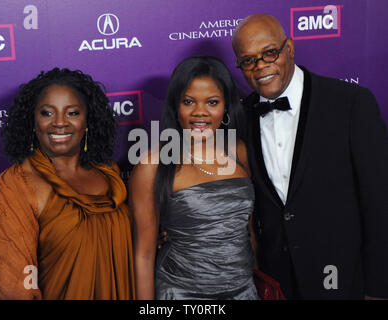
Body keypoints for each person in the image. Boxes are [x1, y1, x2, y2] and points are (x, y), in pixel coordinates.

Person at [232, 13, 388, 299]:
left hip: (344, 279)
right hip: (278, 282)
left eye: (269, 53)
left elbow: (380, 203)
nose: (260, 67)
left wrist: (379, 288)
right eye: (248, 60)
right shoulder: (240, 118)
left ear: (289, 48)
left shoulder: (350, 104)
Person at [0, 68, 135, 299]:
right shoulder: (17, 186)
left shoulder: (109, 172)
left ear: (88, 120)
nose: (60, 123)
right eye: (47, 113)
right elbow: (9, 286)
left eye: (72, 113)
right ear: (33, 122)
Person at [129, 56, 259, 300]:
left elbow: (249, 232)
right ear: (176, 106)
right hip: (182, 294)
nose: (200, 112)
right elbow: (143, 255)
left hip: (244, 292)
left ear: (226, 107)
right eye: (188, 101)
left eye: (212, 102)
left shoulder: (238, 150)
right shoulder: (152, 164)